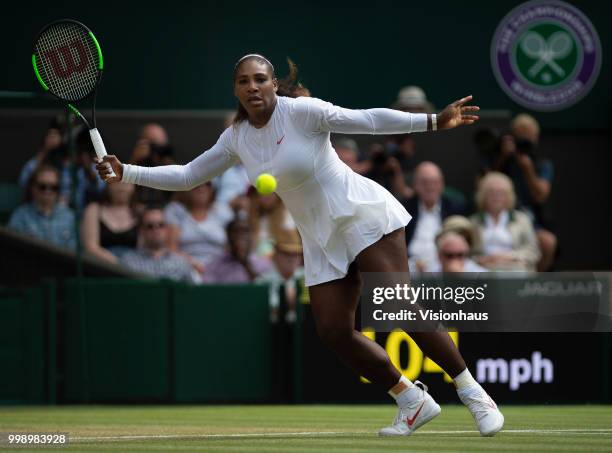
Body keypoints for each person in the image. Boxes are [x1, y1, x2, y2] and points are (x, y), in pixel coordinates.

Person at [96, 54, 503, 437]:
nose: (253, 87)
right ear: (235, 90)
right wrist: (126, 172)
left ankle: (473, 394)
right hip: (321, 237)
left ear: (274, 83)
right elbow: (188, 176)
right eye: (244, 81)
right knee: (332, 330)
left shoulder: (303, 112)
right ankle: (411, 399)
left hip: (362, 215)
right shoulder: (236, 138)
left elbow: (367, 120)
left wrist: (434, 121)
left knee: (397, 304)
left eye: (260, 79)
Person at [470, 172, 540, 272]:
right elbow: (467, 254)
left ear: (509, 196)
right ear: (482, 195)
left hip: (515, 268)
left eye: (501, 193)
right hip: (483, 270)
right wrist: (482, 260)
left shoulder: (522, 220)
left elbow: (533, 251)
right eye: (491, 192)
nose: (496, 197)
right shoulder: (473, 222)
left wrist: (510, 257)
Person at [402, 162, 464, 271]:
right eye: (425, 182)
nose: (430, 187)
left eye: (435, 182)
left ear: (442, 184)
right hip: (410, 267)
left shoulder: (453, 209)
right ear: (415, 185)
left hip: (444, 267)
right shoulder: (403, 209)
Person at [120, 206, 200, 283]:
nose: (156, 229)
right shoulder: (128, 262)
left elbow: (192, 293)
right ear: (141, 231)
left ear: (167, 229)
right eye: (150, 226)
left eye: (161, 225)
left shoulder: (181, 263)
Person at [9, 164, 76, 250]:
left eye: (54, 187)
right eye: (42, 187)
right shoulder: (20, 216)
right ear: (33, 188)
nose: (48, 191)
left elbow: (74, 253)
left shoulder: (69, 217)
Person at [81, 182, 138, 263]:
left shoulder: (140, 213)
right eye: (116, 180)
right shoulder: (94, 210)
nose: (121, 186)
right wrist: (118, 263)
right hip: (102, 267)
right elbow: (91, 247)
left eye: (126, 180)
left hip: (134, 268)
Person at [202, 218, 271, 283]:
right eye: (236, 232)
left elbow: (264, 289)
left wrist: (245, 262)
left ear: (251, 236)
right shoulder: (216, 264)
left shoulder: (262, 264)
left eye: (245, 232)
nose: (240, 236)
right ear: (228, 236)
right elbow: (208, 290)